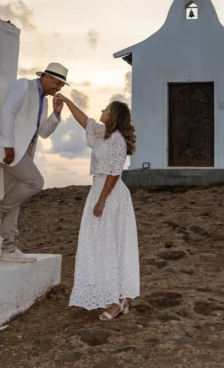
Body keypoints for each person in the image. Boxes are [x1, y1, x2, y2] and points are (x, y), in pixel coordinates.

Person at [57, 94, 140, 321]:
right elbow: (85, 120)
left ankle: (118, 301)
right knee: (99, 244)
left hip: (109, 194)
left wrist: (101, 200)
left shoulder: (117, 140)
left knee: (109, 244)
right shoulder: (104, 135)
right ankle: (111, 296)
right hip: (98, 189)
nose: (101, 111)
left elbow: (114, 173)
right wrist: (66, 101)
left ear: (113, 115)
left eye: (105, 109)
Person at [0, 63, 69, 262]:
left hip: (25, 151)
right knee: (35, 183)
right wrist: (8, 145)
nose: (58, 88)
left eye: (62, 86)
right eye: (58, 83)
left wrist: (56, 114)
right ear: (46, 76)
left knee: (15, 197)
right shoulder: (23, 85)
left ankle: (8, 248)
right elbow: (7, 112)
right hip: (10, 149)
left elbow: (43, 132)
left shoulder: (44, 101)